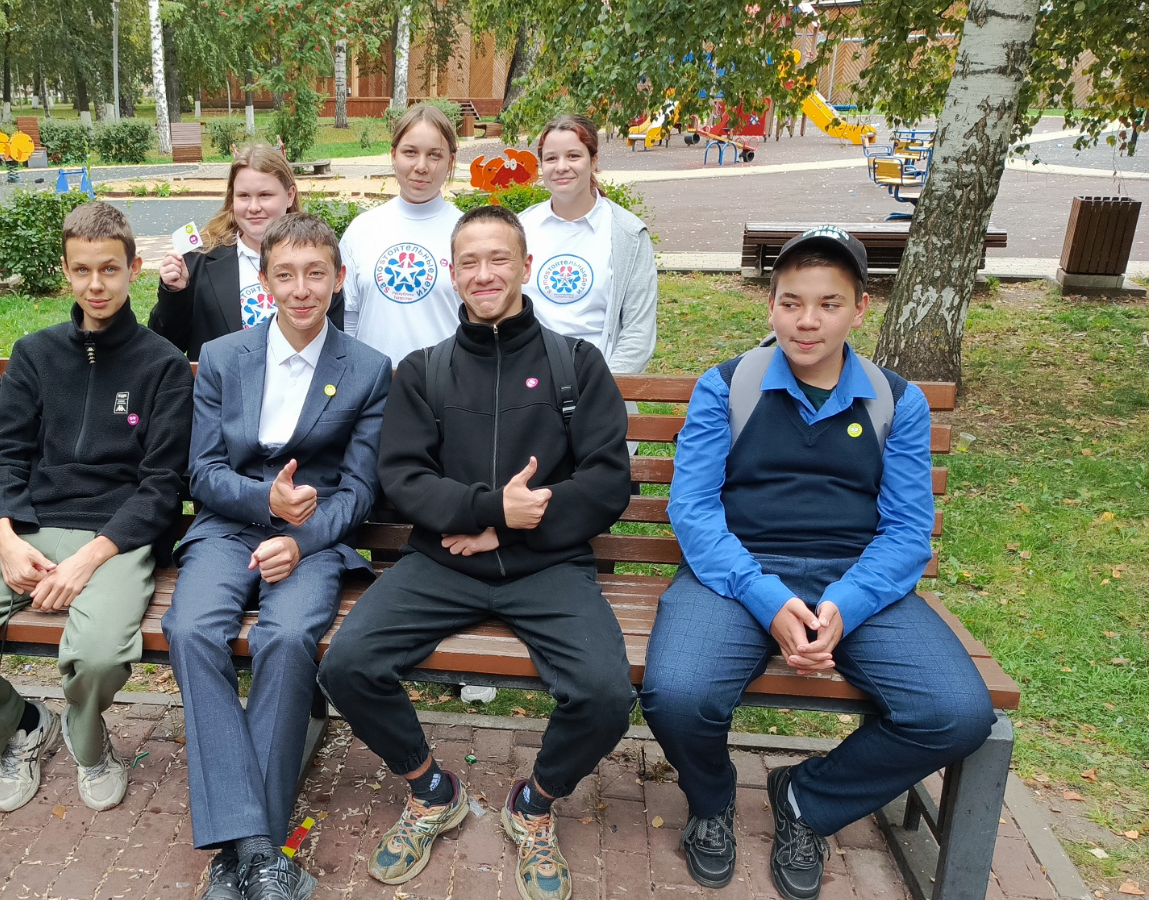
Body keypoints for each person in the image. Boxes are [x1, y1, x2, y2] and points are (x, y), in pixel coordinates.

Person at [640, 228, 995, 900]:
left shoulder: (896, 401)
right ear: (771, 306)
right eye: (792, 302)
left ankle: (806, 800)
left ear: (860, 309)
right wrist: (767, 598)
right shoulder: (728, 387)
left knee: (956, 713)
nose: (808, 321)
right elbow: (694, 511)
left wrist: (845, 605)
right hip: (737, 572)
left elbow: (907, 530)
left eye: (828, 304)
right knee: (678, 693)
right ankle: (712, 803)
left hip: (856, 575)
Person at [317, 206, 636, 900]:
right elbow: (403, 477)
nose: (485, 274)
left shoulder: (576, 365)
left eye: (499, 259)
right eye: (470, 262)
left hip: (547, 564)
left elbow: (609, 479)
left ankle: (535, 802)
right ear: (451, 272)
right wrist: (490, 511)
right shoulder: (425, 370)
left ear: (525, 266)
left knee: (607, 694)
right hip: (443, 562)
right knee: (346, 666)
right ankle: (430, 788)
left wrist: (512, 530)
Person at [0, 203, 194, 816]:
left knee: (98, 656)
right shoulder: (34, 354)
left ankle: (88, 742)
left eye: (109, 269)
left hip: (114, 538)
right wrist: (5, 535)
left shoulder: (163, 364)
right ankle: (22, 726)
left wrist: (89, 559)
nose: (96, 285)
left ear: (134, 269)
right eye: (82, 270)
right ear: (65, 270)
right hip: (29, 528)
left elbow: (161, 485)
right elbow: (6, 457)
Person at [163, 213, 391, 900]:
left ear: (338, 279)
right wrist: (266, 502)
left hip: (313, 539)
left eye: (315, 274)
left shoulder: (368, 369)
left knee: (288, 637)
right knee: (191, 628)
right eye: (285, 274)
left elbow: (359, 490)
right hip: (228, 527)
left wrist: (299, 538)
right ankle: (260, 849)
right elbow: (202, 472)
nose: (301, 289)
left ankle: (236, 854)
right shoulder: (224, 356)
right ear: (263, 281)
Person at [150, 145, 343, 360]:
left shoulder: (319, 258)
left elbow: (335, 344)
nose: (253, 207)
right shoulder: (198, 260)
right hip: (222, 382)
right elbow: (166, 344)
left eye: (265, 195)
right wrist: (175, 293)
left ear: (289, 195)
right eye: (243, 196)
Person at [520, 114, 658, 377]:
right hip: (529, 383)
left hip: (600, 383)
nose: (561, 167)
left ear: (594, 160)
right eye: (551, 158)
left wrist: (601, 388)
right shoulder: (520, 229)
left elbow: (638, 333)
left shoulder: (628, 234)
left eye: (573, 156)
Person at [340, 104, 464, 365]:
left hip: (446, 380)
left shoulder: (466, 233)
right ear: (393, 155)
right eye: (410, 152)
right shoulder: (362, 230)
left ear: (450, 161)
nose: (421, 166)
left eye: (434, 155)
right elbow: (349, 317)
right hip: (374, 382)